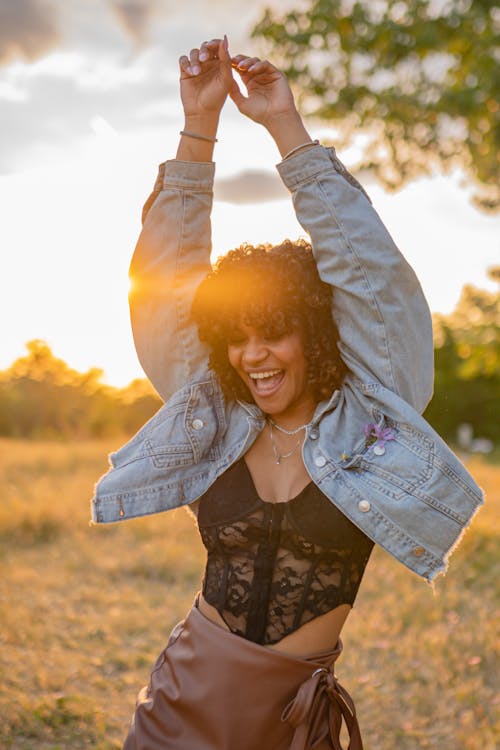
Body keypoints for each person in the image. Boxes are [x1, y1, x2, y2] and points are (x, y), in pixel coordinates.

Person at [91, 37, 484, 750]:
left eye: (272, 334)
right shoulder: (217, 413)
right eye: (235, 338)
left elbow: (367, 271)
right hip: (183, 694)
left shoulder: (372, 420)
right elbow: (165, 279)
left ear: (316, 334)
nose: (252, 357)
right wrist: (199, 124)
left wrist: (284, 127)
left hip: (288, 720)